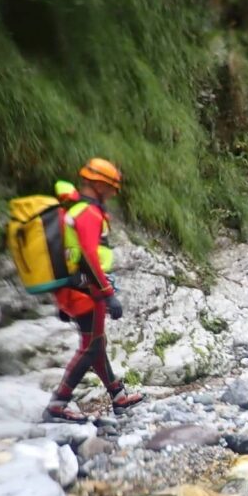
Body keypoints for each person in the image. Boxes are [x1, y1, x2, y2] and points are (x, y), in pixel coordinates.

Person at [43, 157, 144, 423]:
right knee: (91, 346)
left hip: (73, 286)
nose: (113, 193)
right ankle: (58, 404)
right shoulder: (88, 213)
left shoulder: (74, 210)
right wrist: (108, 293)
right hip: (87, 290)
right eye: (111, 188)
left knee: (96, 343)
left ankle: (117, 395)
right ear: (99, 185)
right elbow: (88, 254)